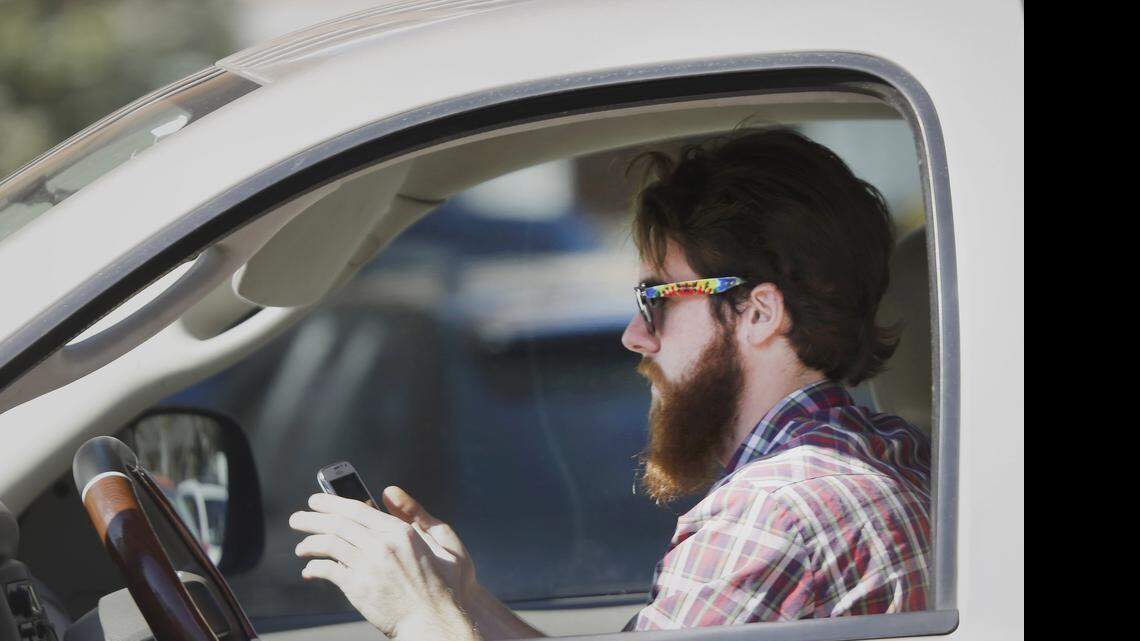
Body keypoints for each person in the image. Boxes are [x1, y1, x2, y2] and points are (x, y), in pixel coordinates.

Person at [288, 127, 931, 640]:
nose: (634, 333)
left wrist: (419, 616)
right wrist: (461, 598)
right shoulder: (885, 451)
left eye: (657, 297)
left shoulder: (773, 515)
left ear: (758, 313)